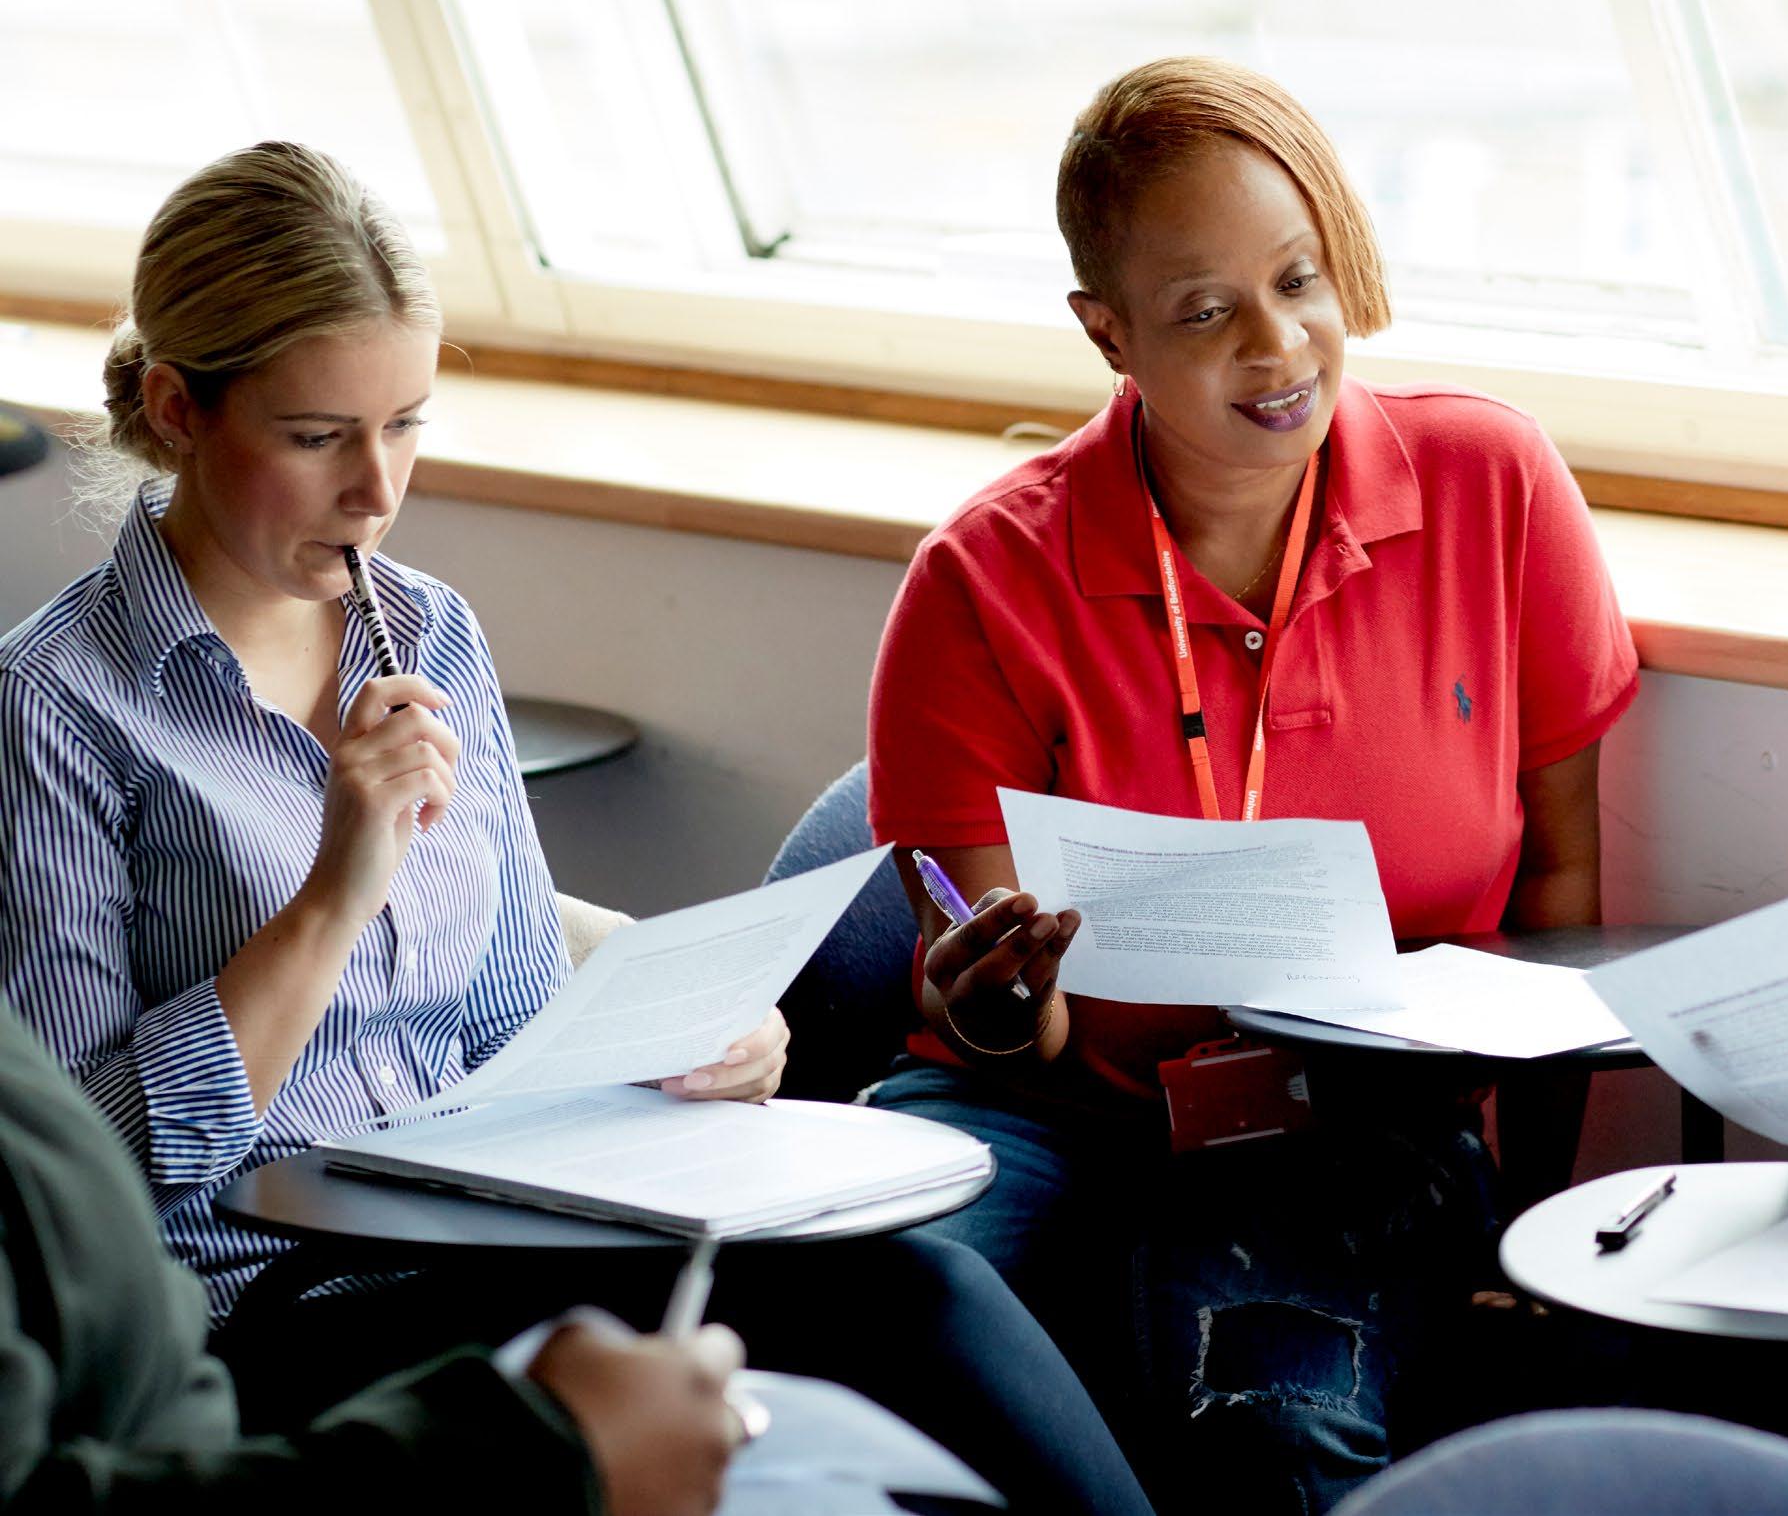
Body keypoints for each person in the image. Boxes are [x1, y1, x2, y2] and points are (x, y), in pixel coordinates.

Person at [0, 142, 1153, 1516]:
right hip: (269, 1307)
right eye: (317, 438)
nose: (377, 490)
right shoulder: (53, 707)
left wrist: (672, 1051)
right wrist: (333, 897)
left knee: (914, 1291)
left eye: (405, 424)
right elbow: (78, 1182)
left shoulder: (430, 630)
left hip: (490, 1235)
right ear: (179, 409)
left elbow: (510, 1022)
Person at [866, 58, 1641, 1512]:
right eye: (1202, 311)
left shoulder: (1491, 484)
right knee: (849, 1344)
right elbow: (984, 1013)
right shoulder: (981, 580)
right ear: (1105, 332)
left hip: (1356, 1124)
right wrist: (1002, 992)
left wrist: (1534, 1219)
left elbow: (1558, 889)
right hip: (1047, 1110)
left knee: (1271, 1437)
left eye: (1297, 281)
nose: (1278, 347)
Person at [0, 989, 743, 1516]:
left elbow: (527, 1031)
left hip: (475, 1241)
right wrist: (535, 1457)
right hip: (278, 1297)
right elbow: (118, 1151)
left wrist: (675, 1046)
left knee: (753, 1270)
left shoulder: (478, 789)